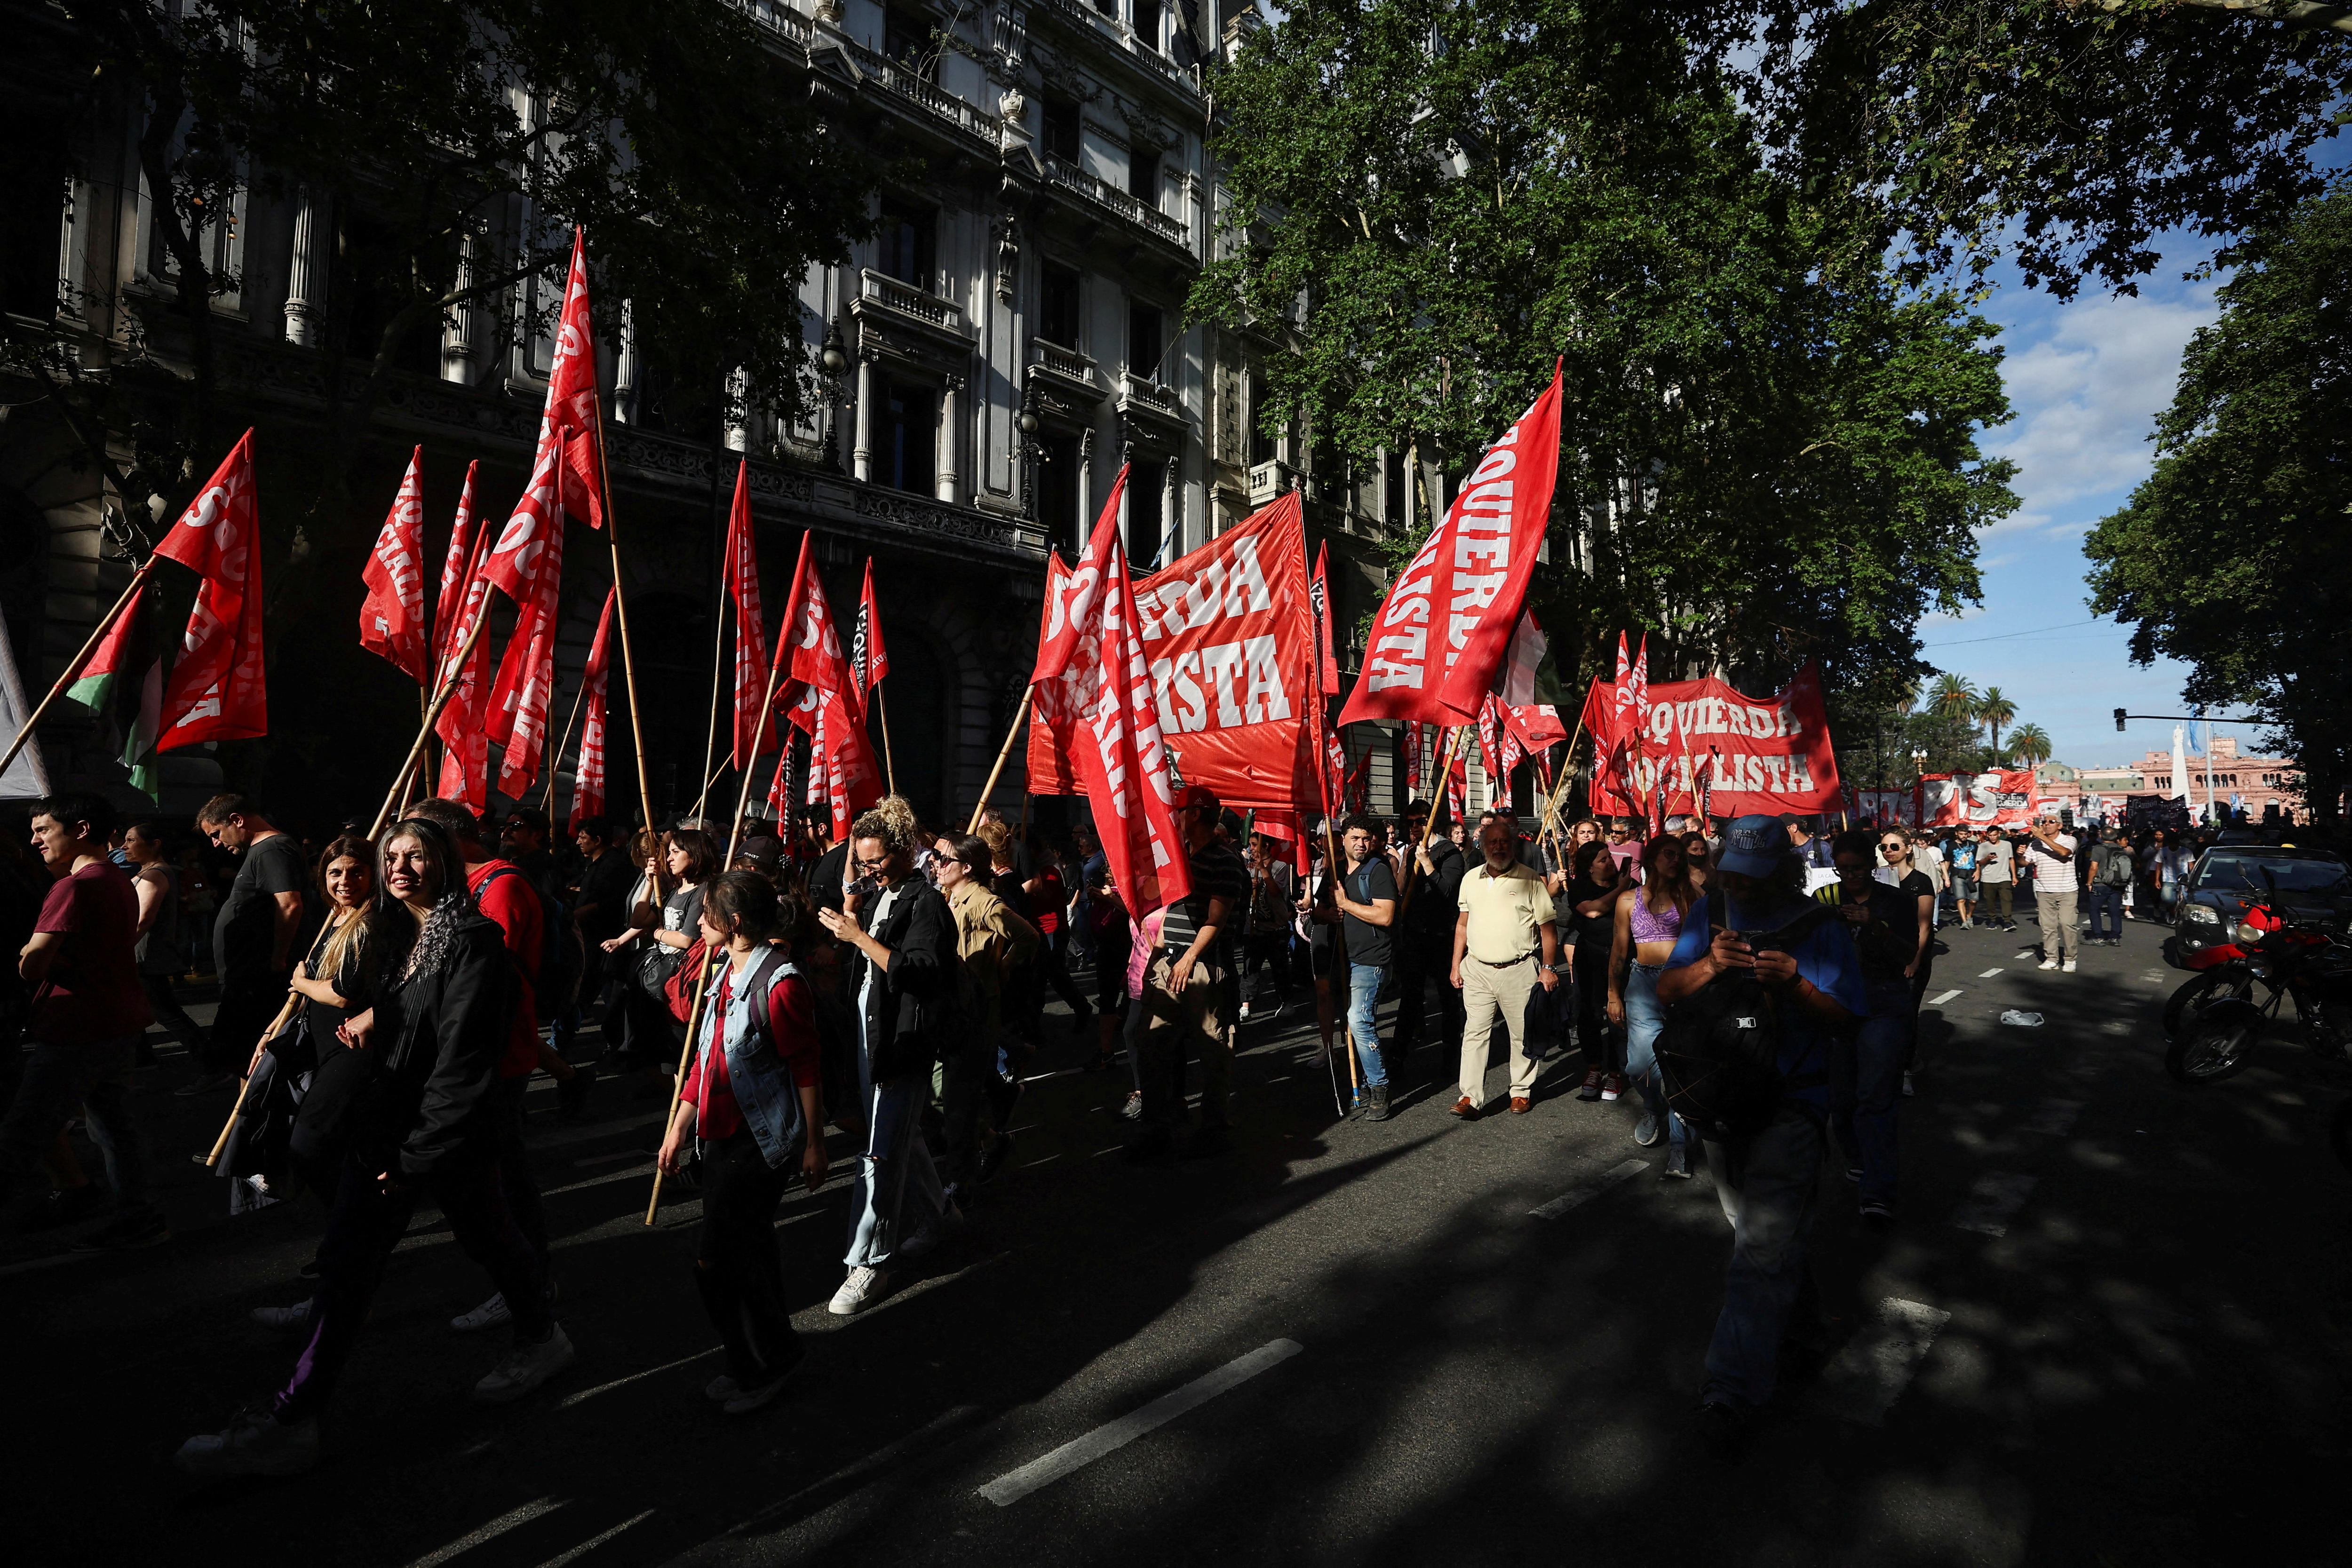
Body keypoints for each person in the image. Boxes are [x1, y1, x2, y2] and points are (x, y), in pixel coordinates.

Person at [177, 819, 572, 1479]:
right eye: (392, 856)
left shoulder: (472, 942)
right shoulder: (398, 934)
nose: (401, 867)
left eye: (418, 856)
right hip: (390, 1127)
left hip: (437, 1135)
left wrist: (416, 1156)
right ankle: (294, 1415)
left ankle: (540, 1334)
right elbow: (413, 1008)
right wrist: (377, 1014)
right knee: (354, 1263)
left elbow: (461, 1059)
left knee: (488, 1236)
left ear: (446, 864)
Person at [1656, 814, 1864, 1452]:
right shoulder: (1709, 911)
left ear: (1782, 869)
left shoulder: (1821, 926)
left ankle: (1729, 1390)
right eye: (1732, 876)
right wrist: (1709, 968)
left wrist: (1795, 983)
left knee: (1759, 1247)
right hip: (1719, 1101)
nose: (1739, 889)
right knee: (1757, 1234)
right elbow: (1666, 988)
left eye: (1752, 878)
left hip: (1792, 1104)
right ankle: (1801, 1336)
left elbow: (1850, 1018)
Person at [655, 873, 827, 1415]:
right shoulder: (721, 972)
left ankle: (762, 1363)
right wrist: (678, 1128)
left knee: (715, 1261)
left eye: (705, 914)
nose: (696, 922)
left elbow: (806, 1065)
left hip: (760, 1143)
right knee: (751, 1253)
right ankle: (765, 1355)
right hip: (718, 1140)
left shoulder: (782, 983)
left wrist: (814, 1144)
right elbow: (705, 1060)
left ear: (731, 924)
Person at [816, 797, 960, 1315]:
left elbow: (920, 972)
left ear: (902, 852)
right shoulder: (880, 895)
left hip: (902, 1040)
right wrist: (852, 921)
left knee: (879, 1152)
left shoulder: (926, 902)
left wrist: (858, 937)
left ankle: (867, 1263)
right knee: (899, 1136)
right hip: (868, 1034)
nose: (869, 870)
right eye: (863, 861)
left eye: (876, 860)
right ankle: (939, 1214)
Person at [0, 793, 160, 1247]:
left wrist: (29, 956)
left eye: (44, 830)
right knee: (113, 1126)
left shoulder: (74, 886)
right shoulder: (116, 878)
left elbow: (33, 963)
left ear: (82, 829)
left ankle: (135, 1214)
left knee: (23, 1129)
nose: (34, 840)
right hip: (116, 1020)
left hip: (77, 1026)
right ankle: (139, 1214)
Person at [1128, 784, 1247, 1159]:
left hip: (1202, 968)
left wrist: (1190, 957)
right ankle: (1157, 1126)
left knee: (1213, 1048)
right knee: (1153, 1045)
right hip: (1170, 964)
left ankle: (1213, 1126)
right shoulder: (1179, 858)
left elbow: (1218, 917)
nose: (1173, 816)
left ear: (1195, 815)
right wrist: (1157, 956)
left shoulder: (1225, 860)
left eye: (1179, 810)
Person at [1821, 829, 1924, 1225]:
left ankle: (1878, 1188)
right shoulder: (1826, 899)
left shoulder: (1896, 901)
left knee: (1876, 1096)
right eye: (1843, 870)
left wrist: (1876, 926)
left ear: (1873, 865)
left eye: (1858, 869)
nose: (1851, 877)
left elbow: (1908, 953)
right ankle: (1860, 1156)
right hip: (1838, 1001)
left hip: (1884, 1002)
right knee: (1842, 1098)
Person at [184, 795, 310, 1098]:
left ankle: (251, 1126)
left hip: (258, 977)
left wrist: (279, 958)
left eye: (216, 834)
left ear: (237, 820)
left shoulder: (272, 848)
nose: (215, 843)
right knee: (246, 1059)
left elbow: (290, 905)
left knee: (250, 1056)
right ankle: (246, 1124)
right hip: (249, 975)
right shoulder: (262, 851)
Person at [933, 832, 1037, 1192]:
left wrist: (1004, 964)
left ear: (967, 867)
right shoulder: (954, 895)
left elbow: (1028, 936)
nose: (936, 863)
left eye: (944, 859)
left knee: (957, 1097)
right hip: (957, 1005)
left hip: (976, 1006)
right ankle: (993, 1127)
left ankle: (962, 1181)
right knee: (944, 1088)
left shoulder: (981, 901)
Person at [1448, 816, 1562, 1118]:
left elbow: (1548, 929)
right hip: (1477, 969)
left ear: (1513, 845)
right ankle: (1470, 1097)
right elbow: (1462, 925)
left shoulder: (1530, 880)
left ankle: (1521, 1092)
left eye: (1503, 842)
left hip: (1520, 968)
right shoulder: (1470, 879)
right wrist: (1455, 964)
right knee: (1474, 1033)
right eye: (1492, 842)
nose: (1498, 847)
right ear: (1483, 846)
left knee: (1521, 1033)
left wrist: (1549, 968)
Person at [1607, 832, 1694, 1178]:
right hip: (1642, 983)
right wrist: (1613, 994)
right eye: (1669, 854)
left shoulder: (1688, 896)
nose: (1675, 860)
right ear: (1654, 857)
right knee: (1637, 1067)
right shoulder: (1629, 900)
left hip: (1681, 984)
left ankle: (1679, 1147)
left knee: (1678, 1070)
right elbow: (1618, 951)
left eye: (1680, 856)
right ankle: (1652, 1104)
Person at [1334, 814, 1401, 1120]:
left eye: (1366, 838)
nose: (1361, 844)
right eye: (1355, 838)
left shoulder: (1378, 871)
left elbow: (1385, 915)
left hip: (1372, 961)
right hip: (1346, 960)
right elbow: (1328, 908)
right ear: (1344, 840)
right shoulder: (1339, 872)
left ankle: (1380, 1088)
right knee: (1357, 1023)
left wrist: (1347, 905)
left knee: (1359, 1021)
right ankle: (1363, 1078)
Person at [122, 820, 205, 1068]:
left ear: (155, 844)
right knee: (136, 1010)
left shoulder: (155, 874)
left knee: (166, 1012)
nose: (125, 846)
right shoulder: (148, 872)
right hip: (142, 955)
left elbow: (143, 920)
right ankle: (144, 1059)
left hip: (147, 956)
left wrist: (119, 950)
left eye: (131, 840)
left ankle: (210, 1064)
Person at [1397, 804, 1468, 1062]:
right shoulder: (1410, 851)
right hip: (1415, 934)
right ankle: (1399, 1057)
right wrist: (1407, 863)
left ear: (1432, 822)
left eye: (1421, 821)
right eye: (1411, 822)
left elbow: (1447, 892)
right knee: (1411, 996)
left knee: (1447, 997)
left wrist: (1427, 862)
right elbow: (1402, 890)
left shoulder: (1449, 853)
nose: (1415, 827)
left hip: (1441, 935)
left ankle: (1451, 1056)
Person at [1565, 840, 1623, 1099]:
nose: (1610, 862)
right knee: (1588, 1012)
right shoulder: (1580, 888)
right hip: (1589, 956)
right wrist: (1621, 890)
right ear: (1590, 868)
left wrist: (1623, 887)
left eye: (1610, 857)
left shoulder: (1627, 886)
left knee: (1618, 1014)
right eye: (1603, 860)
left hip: (1620, 957)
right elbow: (1591, 912)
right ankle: (1594, 1068)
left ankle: (1615, 1072)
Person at [1239, 832, 1296, 1025]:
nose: (1251, 848)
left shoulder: (1281, 867)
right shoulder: (1248, 868)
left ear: (1266, 847)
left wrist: (1264, 871)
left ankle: (1286, 1002)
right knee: (1250, 968)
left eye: (1255, 845)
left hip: (1275, 928)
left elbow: (1276, 892)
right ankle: (1245, 1006)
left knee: (1280, 969)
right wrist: (1249, 884)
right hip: (1253, 927)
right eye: (1250, 845)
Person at [2023, 813, 2079, 972]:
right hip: (2044, 890)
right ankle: (2051, 958)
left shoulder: (2069, 839)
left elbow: (2064, 853)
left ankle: (2070, 959)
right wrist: (2020, 855)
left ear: (2060, 826)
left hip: (2067, 889)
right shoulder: (2035, 844)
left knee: (2067, 924)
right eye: (2044, 822)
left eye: (2051, 822)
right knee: (2048, 927)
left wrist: (2042, 838)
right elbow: (2024, 863)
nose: (2047, 824)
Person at [2084, 826, 2130, 947]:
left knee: (2095, 910)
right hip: (2117, 884)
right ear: (2116, 837)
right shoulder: (2121, 849)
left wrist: (2089, 883)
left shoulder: (2098, 849)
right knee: (2115, 911)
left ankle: (2098, 937)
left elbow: (2094, 867)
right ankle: (2115, 937)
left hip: (2101, 883)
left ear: (2101, 836)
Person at [1977, 823, 2017, 932]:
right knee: (1990, 901)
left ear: (1999, 834)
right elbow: (1980, 862)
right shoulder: (1983, 846)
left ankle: (2007, 921)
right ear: (1987, 835)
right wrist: (1988, 859)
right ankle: (1992, 920)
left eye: (1995, 835)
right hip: (1988, 877)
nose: (1993, 837)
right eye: (1990, 835)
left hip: (2004, 877)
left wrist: (2014, 876)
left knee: (2007, 899)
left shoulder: (2007, 844)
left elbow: (2011, 859)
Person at [1946, 827, 1979, 929]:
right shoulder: (1951, 846)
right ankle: (1964, 922)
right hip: (1957, 873)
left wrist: (1978, 871)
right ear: (1957, 834)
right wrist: (1946, 876)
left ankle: (1969, 916)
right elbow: (1948, 861)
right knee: (1961, 899)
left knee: (1974, 900)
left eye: (1966, 834)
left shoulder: (1973, 845)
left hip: (1972, 873)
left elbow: (1978, 860)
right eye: (1961, 834)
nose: (1964, 836)